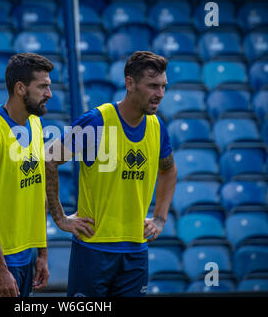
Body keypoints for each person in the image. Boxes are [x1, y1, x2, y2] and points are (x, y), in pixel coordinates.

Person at [45, 51, 177, 297]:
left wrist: (159, 218)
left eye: (163, 87)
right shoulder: (96, 121)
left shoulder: (157, 127)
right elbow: (49, 159)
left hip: (136, 251)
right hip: (94, 248)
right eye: (152, 86)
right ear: (130, 83)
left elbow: (168, 170)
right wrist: (60, 218)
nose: (160, 94)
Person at [0, 53, 93, 297]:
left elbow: (38, 195)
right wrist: (1, 268)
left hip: (27, 257)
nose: (49, 93)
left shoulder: (34, 123)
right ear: (20, 88)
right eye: (43, 87)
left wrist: (42, 254)